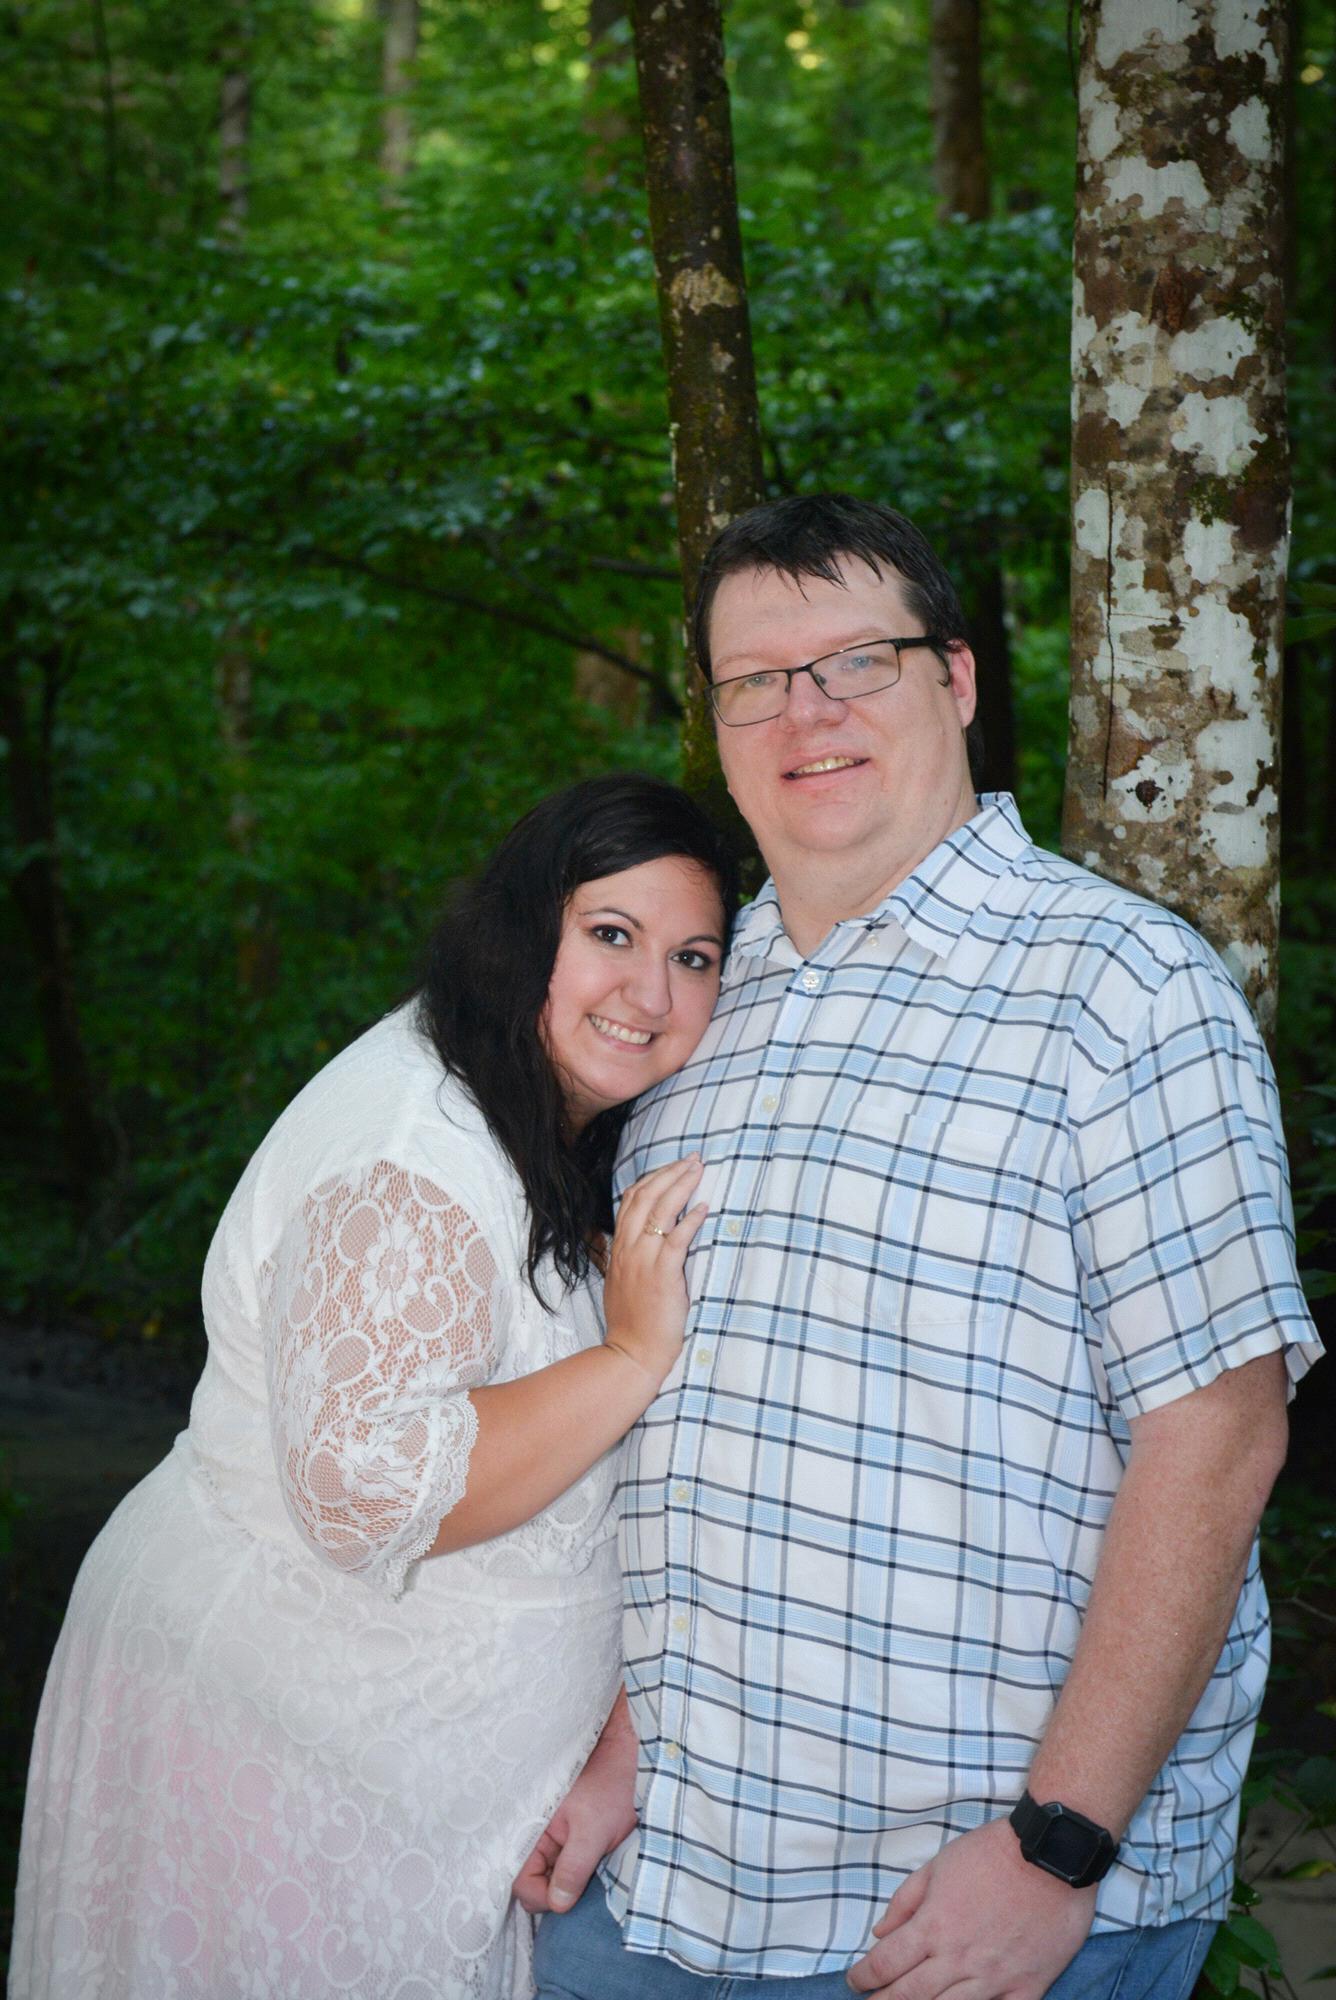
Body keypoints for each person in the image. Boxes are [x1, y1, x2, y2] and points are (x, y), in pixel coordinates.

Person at [521, 496, 1323, 2000]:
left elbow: (1218, 1439)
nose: (805, 711)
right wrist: (627, 1751)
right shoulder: (689, 1009)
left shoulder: (1123, 990)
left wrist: (1058, 1845)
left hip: (971, 1915)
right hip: (666, 1887)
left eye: (855, 662)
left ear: (954, 679)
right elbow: (697, 1435)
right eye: (756, 679)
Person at [11, 772, 740, 2000]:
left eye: (694, 956)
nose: (650, 993)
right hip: (265, 1748)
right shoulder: (411, 1158)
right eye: (611, 933)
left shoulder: (532, 1102)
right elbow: (365, 1485)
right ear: (526, 927)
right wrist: (627, 1356)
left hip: (383, 1774)